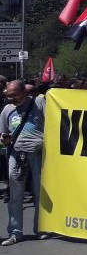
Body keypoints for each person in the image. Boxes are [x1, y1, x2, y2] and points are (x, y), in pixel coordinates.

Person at [0, 80, 47, 245]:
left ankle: (41, 228)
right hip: (16, 154)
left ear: (24, 92)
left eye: (14, 95)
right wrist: (4, 139)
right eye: (8, 95)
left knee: (39, 193)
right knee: (15, 195)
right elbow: (3, 135)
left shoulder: (39, 103)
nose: (10, 98)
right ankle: (15, 232)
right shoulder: (6, 110)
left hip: (38, 154)